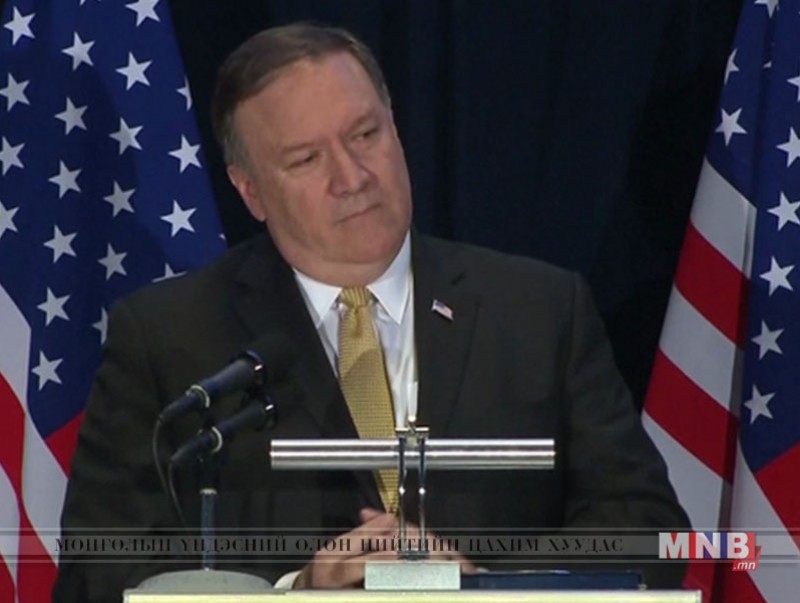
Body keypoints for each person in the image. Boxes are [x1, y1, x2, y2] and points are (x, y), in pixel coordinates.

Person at [53, 22, 689, 602]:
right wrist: (294, 591)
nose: (352, 176)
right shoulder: (167, 337)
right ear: (251, 191)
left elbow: (647, 527)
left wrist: (488, 587)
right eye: (306, 159)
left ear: (396, 129)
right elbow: (97, 570)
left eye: (365, 135)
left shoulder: (538, 310)